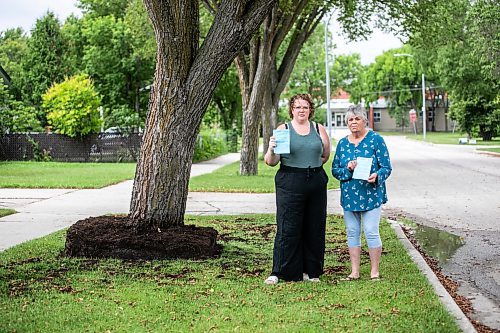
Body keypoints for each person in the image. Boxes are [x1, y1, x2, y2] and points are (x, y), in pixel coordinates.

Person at [263, 94, 330, 285]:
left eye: (305, 107)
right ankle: (280, 271)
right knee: (288, 227)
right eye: (298, 107)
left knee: (314, 227)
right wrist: (271, 148)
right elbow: (271, 162)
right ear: (292, 109)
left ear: (310, 109)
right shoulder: (283, 129)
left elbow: (324, 155)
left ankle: (311, 271)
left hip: (315, 180)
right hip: (290, 181)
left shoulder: (318, 128)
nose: (302, 110)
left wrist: (310, 168)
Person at [331, 105, 392, 281]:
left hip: (371, 194)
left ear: (364, 120)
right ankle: (355, 271)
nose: (354, 122)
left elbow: (386, 167)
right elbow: (336, 170)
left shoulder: (376, 140)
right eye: (350, 119)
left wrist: (377, 176)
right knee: (352, 231)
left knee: (371, 231)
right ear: (347, 122)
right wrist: (348, 169)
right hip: (350, 196)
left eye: (357, 119)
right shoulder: (342, 144)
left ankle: (374, 271)